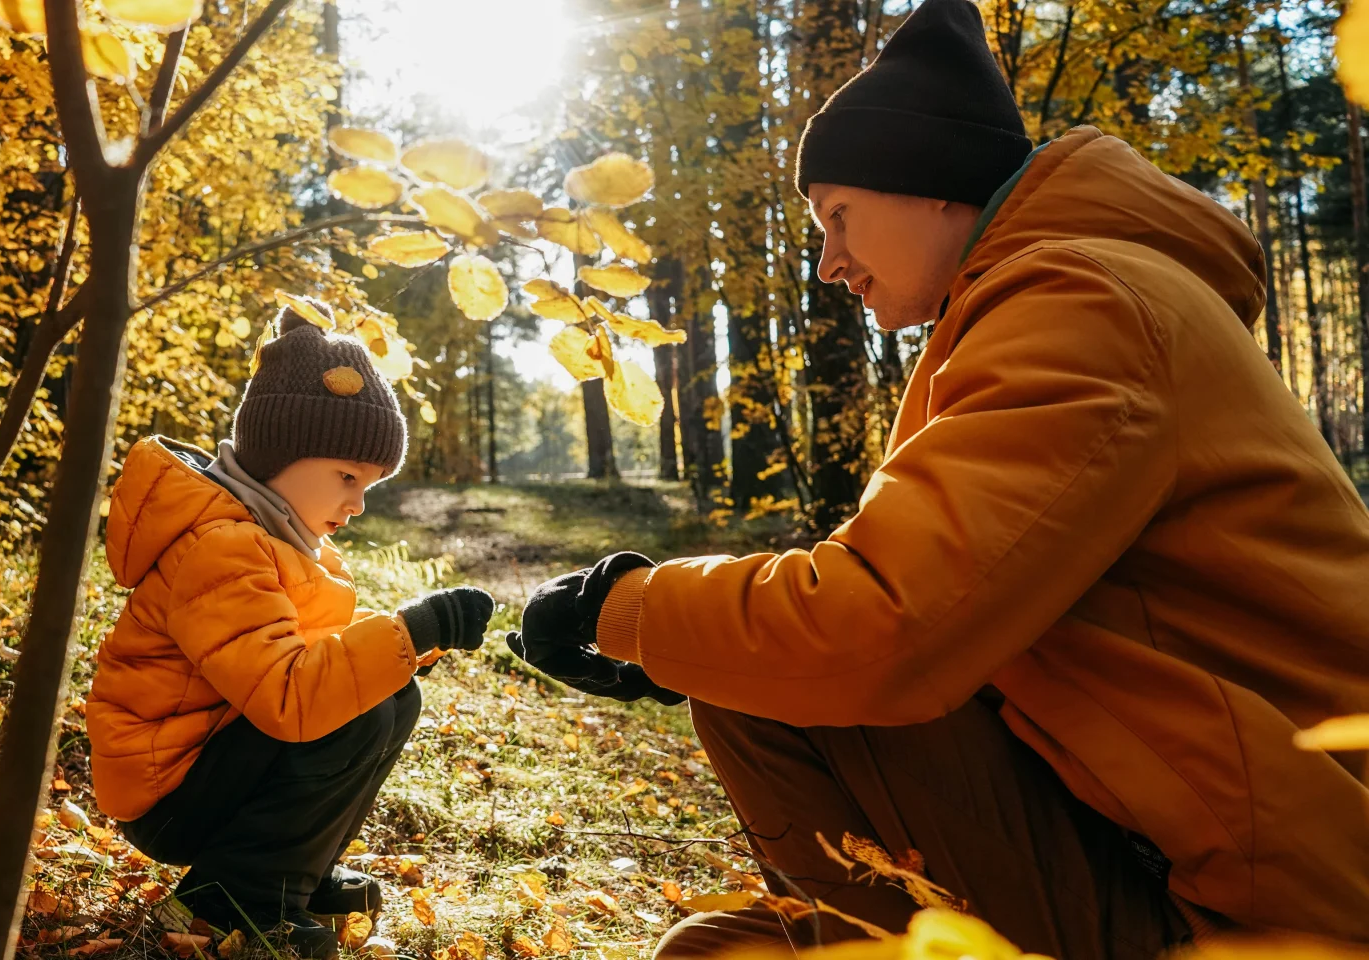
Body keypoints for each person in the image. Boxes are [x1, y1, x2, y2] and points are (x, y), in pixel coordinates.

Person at [509, 1, 1369, 956]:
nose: (830, 262)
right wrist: (686, 647)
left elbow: (887, 624)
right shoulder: (1056, 303)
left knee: (766, 692)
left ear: (933, 186)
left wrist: (627, 611)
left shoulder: (1085, 305)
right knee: (713, 948)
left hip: (1278, 907)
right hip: (1189, 845)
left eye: (838, 216)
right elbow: (977, 624)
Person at [83, 305, 496, 959]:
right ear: (282, 455)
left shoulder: (276, 537)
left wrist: (404, 647)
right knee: (352, 716)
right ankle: (227, 900)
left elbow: (301, 652)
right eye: (347, 477)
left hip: (214, 756)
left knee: (392, 698)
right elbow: (289, 697)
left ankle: (294, 872)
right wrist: (406, 633)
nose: (358, 503)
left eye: (370, 484)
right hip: (167, 789)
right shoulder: (221, 547)